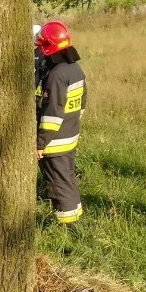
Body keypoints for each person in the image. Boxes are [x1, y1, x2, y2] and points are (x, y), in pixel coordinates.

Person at [35, 20, 87, 225]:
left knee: (58, 186)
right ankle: (76, 219)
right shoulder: (75, 69)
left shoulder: (56, 76)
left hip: (54, 141)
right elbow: (81, 104)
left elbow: (52, 114)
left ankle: (67, 229)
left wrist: (40, 144)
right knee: (68, 180)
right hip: (70, 134)